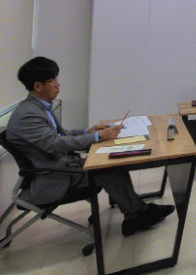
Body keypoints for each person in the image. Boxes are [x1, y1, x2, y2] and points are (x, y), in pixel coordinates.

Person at [6, 57, 174, 237]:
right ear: (38, 86)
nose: (58, 84)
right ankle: (140, 213)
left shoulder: (38, 107)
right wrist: (97, 137)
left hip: (63, 167)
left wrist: (89, 131)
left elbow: (60, 135)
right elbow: (54, 144)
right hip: (54, 177)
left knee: (115, 162)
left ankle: (133, 215)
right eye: (52, 80)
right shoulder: (28, 115)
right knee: (110, 171)